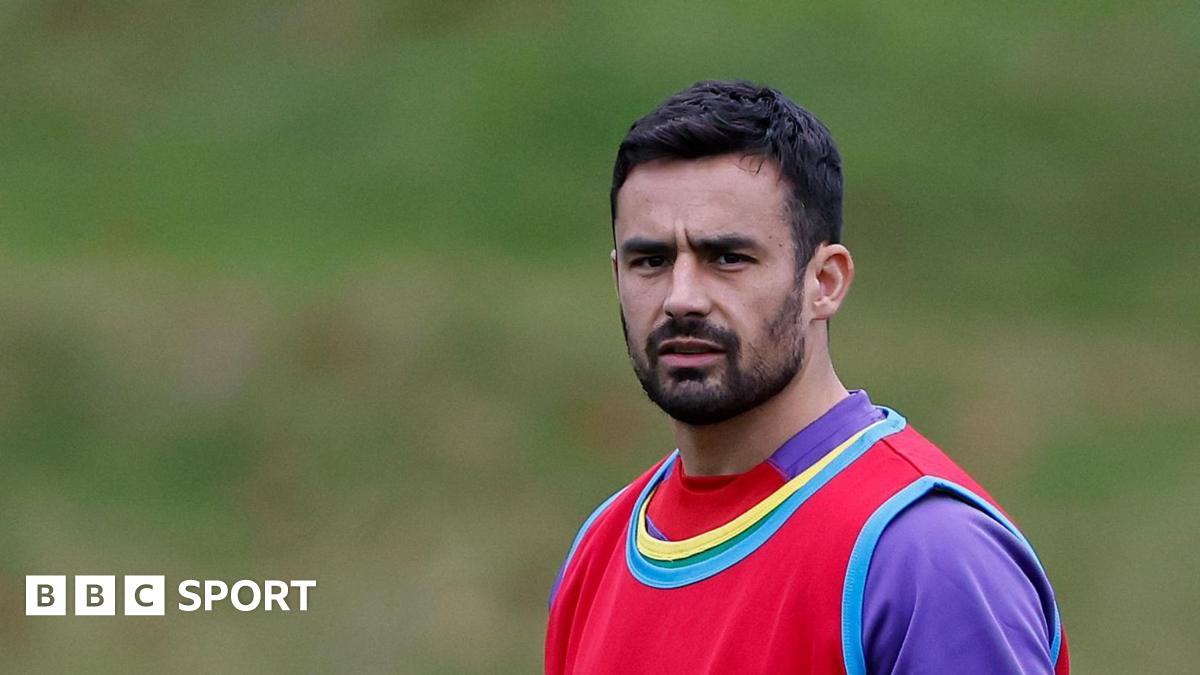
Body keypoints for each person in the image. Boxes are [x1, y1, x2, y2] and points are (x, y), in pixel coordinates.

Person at [544, 80, 1070, 674]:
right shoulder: (601, 550)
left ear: (825, 281)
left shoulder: (924, 556)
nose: (681, 298)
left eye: (728, 258)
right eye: (651, 261)